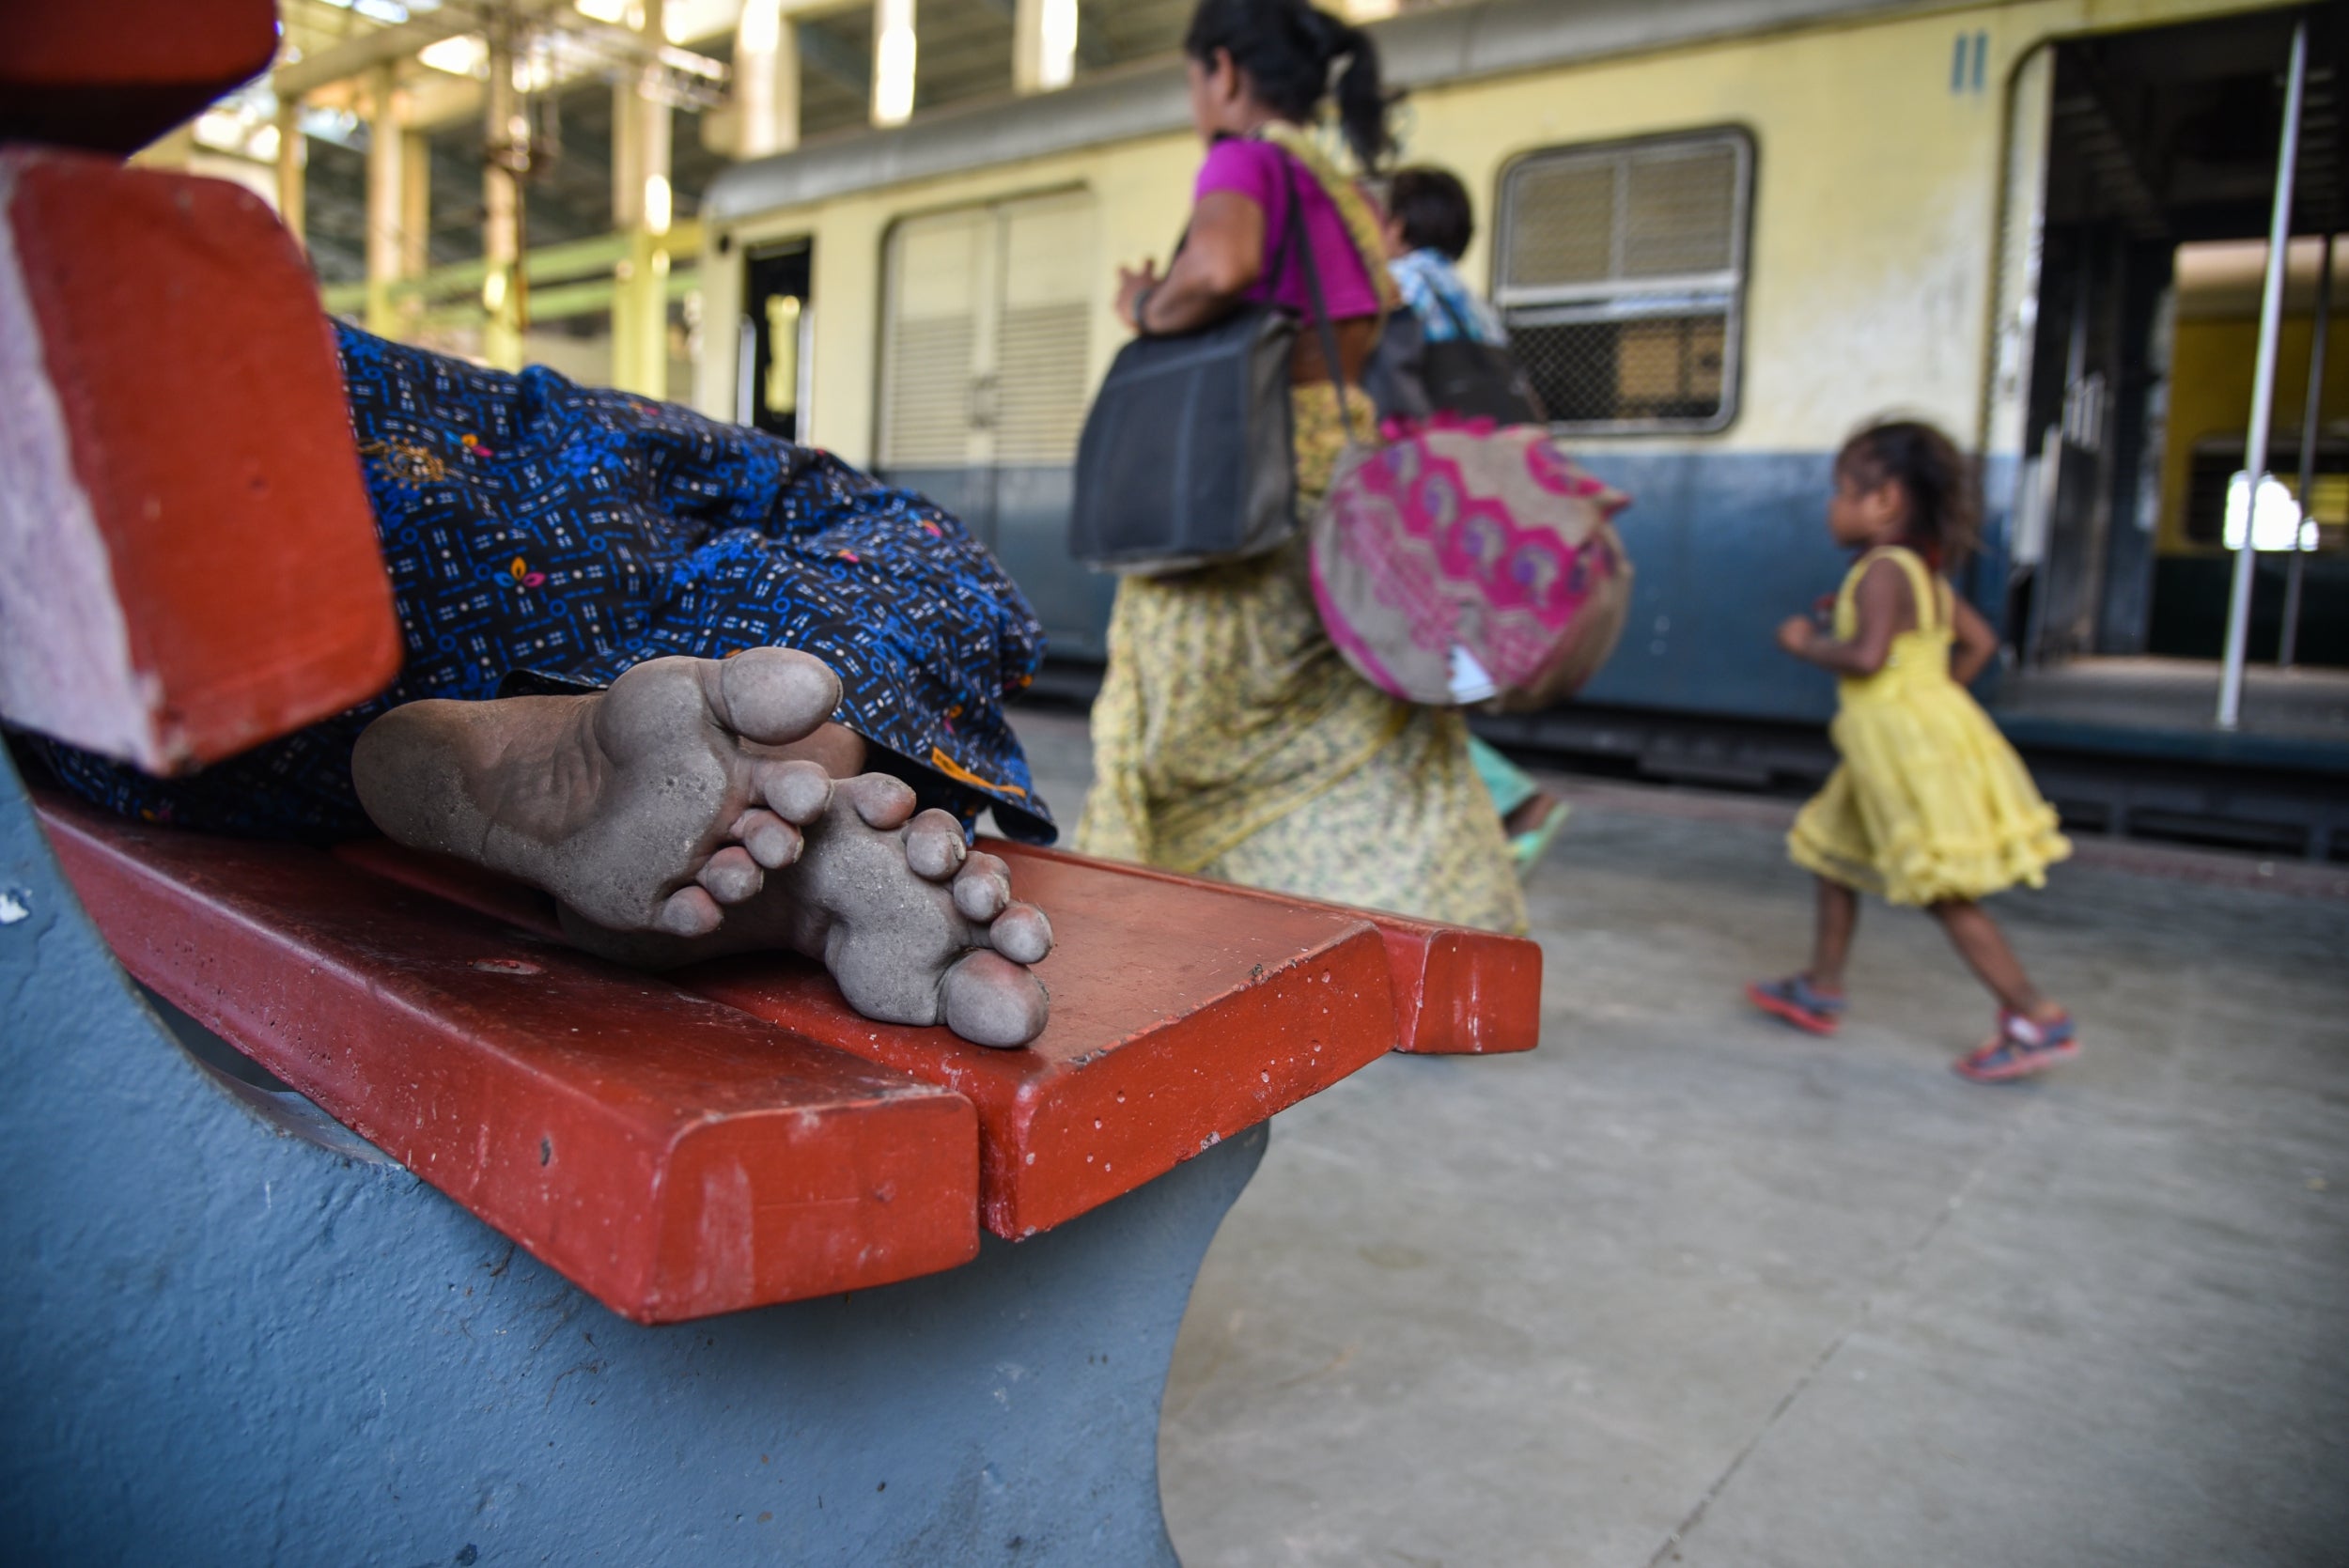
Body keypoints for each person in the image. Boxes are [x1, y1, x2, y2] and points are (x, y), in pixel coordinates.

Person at [25, 323, 1059, 1048]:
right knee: (916, 548)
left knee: (214, 604)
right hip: (398, 500)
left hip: (148, 663)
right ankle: (783, 776)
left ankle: (735, 788)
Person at [1073, 0, 1525, 936]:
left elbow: (1223, 264)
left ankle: (1152, 926)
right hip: (1343, 477)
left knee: (1170, 721)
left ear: (1225, 72)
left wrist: (1149, 303)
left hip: (1247, 478)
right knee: (1356, 729)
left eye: (1196, 78)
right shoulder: (1349, 194)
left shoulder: (1246, 157)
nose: (1197, 98)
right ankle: (1431, 948)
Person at [1746, 420, 2077, 1082]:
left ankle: (2032, 1015)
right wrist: (1930, 709)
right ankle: (1822, 985)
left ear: (1886, 501)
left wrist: (1802, 643)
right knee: (1829, 848)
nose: (1832, 506)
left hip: (1893, 747)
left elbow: (1866, 658)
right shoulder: (1925, 576)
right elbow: (1977, 645)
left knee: (1941, 888)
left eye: (1842, 491)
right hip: (1901, 741)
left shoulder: (1878, 572)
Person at [1377, 163, 1571, 879]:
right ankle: (1488, 816)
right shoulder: (1478, 308)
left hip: (1428, 510)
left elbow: (1388, 403)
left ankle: (1508, 802)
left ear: (1395, 225)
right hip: (1491, 514)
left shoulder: (1401, 288)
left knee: (1382, 683)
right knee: (1416, 684)